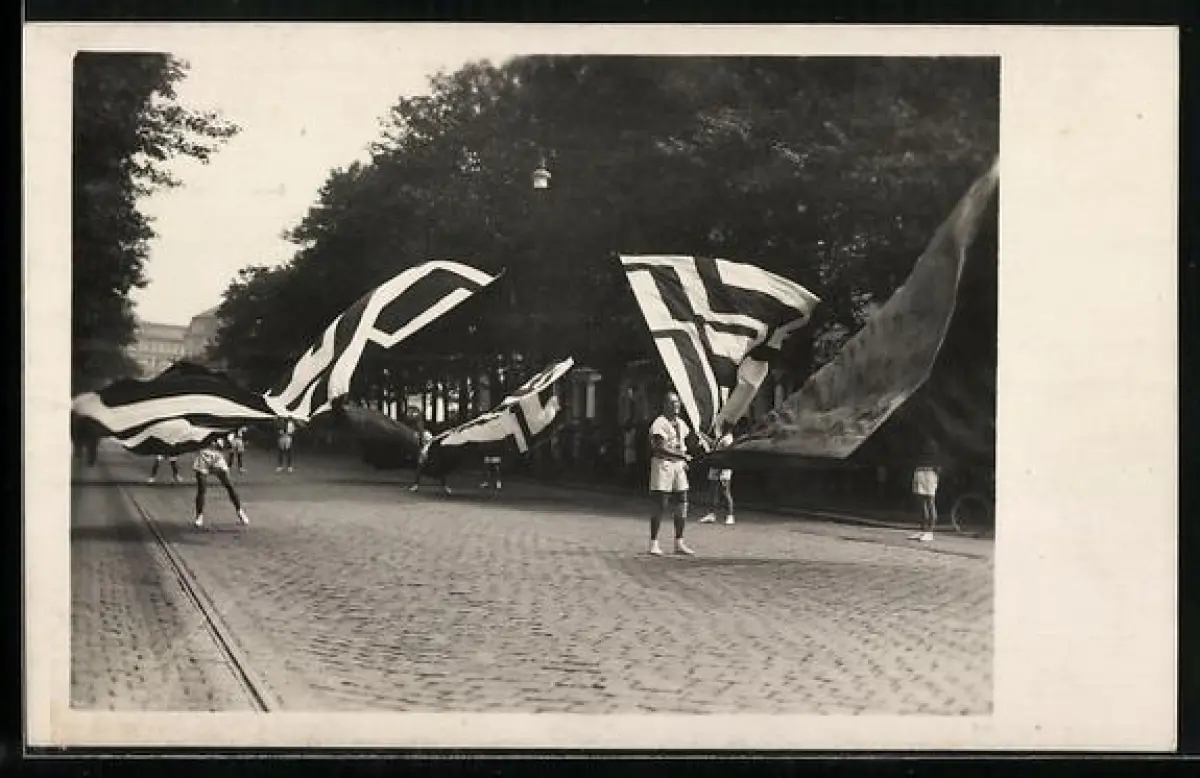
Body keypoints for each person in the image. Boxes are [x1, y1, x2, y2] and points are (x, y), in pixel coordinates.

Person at [647, 391, 704, 556]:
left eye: (678, 403)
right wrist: (682, 455)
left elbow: (688, 440)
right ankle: (654, 542)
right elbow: (660, 447)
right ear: (665, 405)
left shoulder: (680, 423)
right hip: (663, 465)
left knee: (682, 501)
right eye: (672, 403)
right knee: (661, 503)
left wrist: (702, 440)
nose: (676, 406)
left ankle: (679, 541)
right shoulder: (659, 423)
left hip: (678, 466)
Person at [193, 438, 249, 529]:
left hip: (217, 458)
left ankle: (240, 511)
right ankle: (199, 515)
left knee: (229, 486)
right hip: (203, 456)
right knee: (201, 488)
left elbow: (228, 445)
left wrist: (223, 443)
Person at [698, 422, 735, 526]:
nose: (722, 426)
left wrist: (721, 468)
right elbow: (713, 444)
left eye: (725, 425)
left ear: (729, 427)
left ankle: (730, 515)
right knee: (713, 491)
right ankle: (711, 514)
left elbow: (727, 454)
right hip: (715, 465)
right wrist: (702, 435)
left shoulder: (728, 438)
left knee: (725, 491)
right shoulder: (721, 437)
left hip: (724, 467)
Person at [908, 441, 941, 543]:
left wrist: (936, 476)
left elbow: (939, 468)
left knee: (930, 502)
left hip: (929, 473)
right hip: (920, 472)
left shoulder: (936, 453)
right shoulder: (919, 451)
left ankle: (930, 532)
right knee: (922, 503)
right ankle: (923, 530)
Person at [409, 428, 451, 495]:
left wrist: (426, 451)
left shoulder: (427, 434)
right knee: (419, 468)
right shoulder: (416, 434)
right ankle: (415, 485)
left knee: (439, 469)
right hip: (423, 452)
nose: (419, 428)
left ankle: (445, 487)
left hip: (430, 452)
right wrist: (421, 452)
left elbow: (431, 443)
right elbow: (418, 444)